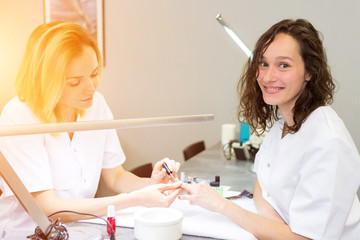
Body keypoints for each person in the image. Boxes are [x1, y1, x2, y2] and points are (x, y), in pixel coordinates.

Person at [179, 19, 360, 239]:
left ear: (310, 72)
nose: (267, 76)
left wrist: (221, 206)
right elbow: (261, 187)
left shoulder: (328, 142)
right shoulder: (282, 125)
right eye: (263, 64)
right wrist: (275, 228)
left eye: (284, 65)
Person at [0, 21, 181, 239]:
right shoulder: (18, 116)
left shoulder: (96, 104)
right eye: (74, 82)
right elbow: (48, 208)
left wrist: (151, 185)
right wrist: (136, 199)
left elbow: (115, 176)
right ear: (46, 80)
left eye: (94, 74)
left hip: (82, 230)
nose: (91, 88)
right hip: (26, 233)